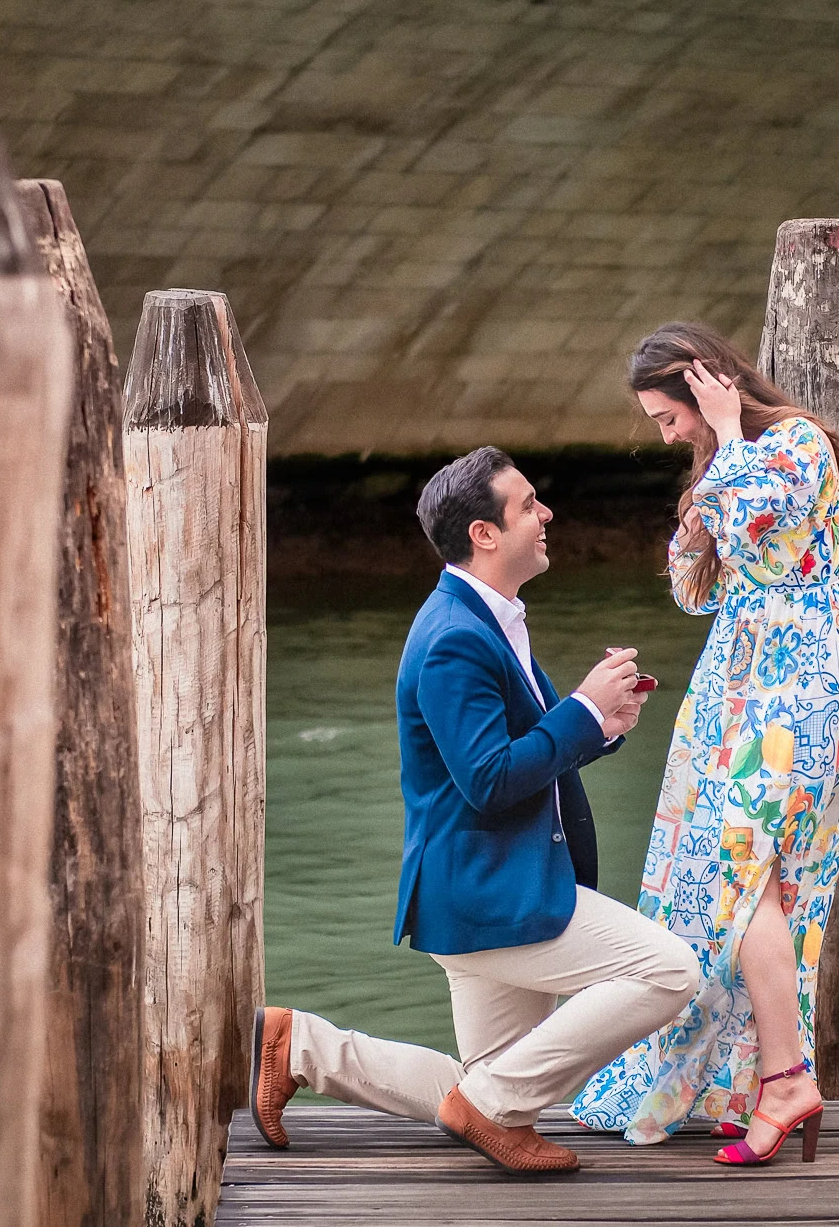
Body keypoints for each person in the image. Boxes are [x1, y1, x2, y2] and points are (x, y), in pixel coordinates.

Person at [249, 447, 700, 1175]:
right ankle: (485, 1108)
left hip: (484, 886)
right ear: (485, 534)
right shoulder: (455, 638)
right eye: (528, 504)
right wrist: (581, 709)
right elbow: (489, 779)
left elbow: (519, 751)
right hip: (490, 891)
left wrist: (599, 725)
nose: (546, 512)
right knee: (671, 970)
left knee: (492, 1086)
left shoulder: (486, 614)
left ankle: (297, 1045)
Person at [569, 323, 839, 1166]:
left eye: (671, 415)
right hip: (735, 691)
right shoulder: (722, 461)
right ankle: (748, 1083)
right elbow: (694, 588)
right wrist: (703, 504)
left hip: (801, 685)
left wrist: (729, 436)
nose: (666, 434)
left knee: (748, 872)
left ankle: (785, 1078)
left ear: (709, 386)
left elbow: (761, 536)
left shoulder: (798, 444)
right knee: (727, 880)